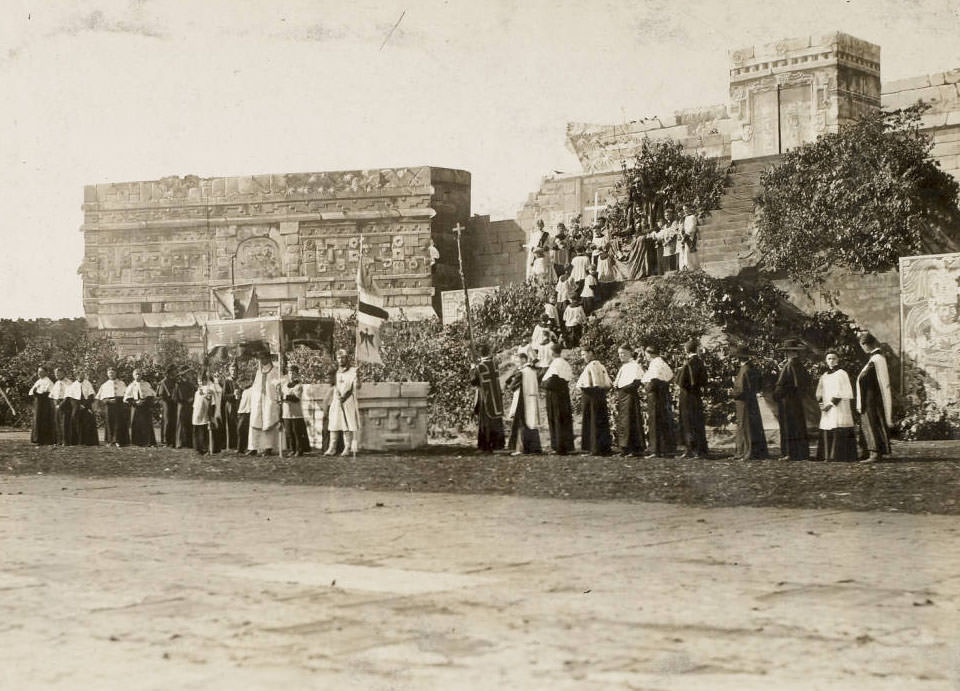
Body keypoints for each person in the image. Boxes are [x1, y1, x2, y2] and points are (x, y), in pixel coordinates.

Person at [856, 332, 893, 463]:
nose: (862, 348)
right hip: (872, 397)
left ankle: (875, 453)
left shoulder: (876, 359)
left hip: (872, 397)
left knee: (872, 423)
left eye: (862, 345)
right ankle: (871, 450)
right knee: (872, 422)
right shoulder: (876, 358)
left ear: (866, 345)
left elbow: (867, 378)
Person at [815, 350, 858, 462]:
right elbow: (819, 390)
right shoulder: (824, 375)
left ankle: (838, 455)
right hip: (826, 407)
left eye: (834, 358)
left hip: (839, 406)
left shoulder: (842, 373)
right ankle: (826, 455)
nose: (831, 361)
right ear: (825, 361)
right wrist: (821, 404)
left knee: (837, 424)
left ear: (838, 360)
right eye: (829, 358)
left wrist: (831, 404)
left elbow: (844, 391)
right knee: (827, 426)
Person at [773, 339, 810, 461]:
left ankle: (790, 453)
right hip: (797, 400)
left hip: (787, 401)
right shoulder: (800, 365)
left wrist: (776, 396)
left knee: (789, 426)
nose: (786, 354)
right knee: (798, 425)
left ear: (790, 352)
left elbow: (781, 385)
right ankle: (801, 452)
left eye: (787, 352)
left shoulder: (788, 366)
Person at [731, 345, 768, 460]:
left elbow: (741, 390)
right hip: (752, 401)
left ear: (739, 358)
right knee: (753, 426)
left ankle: (746, 452)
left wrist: (731, 393)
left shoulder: (744, 370)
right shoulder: (753, 368)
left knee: (745, 426)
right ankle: (755, 451)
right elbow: (759, 384)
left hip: (744, 403)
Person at [470, 343, 506, 453]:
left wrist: (472, 369)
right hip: (495, 395)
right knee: (495, 419)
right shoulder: (494, 364)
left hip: (485, 396)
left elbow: (474, 382)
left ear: (479, 353)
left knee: (485, 421)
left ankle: (485, 445)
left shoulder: (480, 367)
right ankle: (498, 444)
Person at [576, 347, 612, 455]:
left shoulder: (594, 365)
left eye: (584, 354)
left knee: (594, 420)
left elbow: (597, 383)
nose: (583, 357)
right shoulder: (598, 364)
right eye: (582, 355)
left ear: (591, 353)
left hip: (593, 397)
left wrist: (591, 389)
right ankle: (600, 447)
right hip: (596, 396)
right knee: (597, 420)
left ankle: (596, 448)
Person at [677, 339, 709, 459]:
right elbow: (704, 380)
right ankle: (700, 449)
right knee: (697, 421)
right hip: (696, 396)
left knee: (687, 422)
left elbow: (680, 382)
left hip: (686, 396)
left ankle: (690, 449)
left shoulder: (688, 363)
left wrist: (680, 371)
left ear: (686, 350)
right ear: (696, 349)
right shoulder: (700, 362)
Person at [506, 350, 542, 455]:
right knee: (532, 423)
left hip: (522, 400)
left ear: (523, 360)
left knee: (521, 423)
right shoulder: (532, 371)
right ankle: (535, 448)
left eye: (518, 360)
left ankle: (521, 449)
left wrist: (511, 384)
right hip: (532, 398)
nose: (516, 362)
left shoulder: (521, 372)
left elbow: (512, 386)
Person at [540, 343, 575, 455]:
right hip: (563, 393)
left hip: (555, 395)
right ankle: (566, 446)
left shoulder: (556, 364)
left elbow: (551, 381)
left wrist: (543, 384)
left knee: (557, 417)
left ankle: (559, 446)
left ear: (553, 352)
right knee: (564, 418)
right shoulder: (564, 362)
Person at [642, 346, 676, 458]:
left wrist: (647, 388)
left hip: (655, 396)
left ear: (650, 354)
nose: (646, 357)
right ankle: (663, 448)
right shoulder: (663, 363)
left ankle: (655, 450)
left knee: (655, 421)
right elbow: (671, 377)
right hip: (663, 395)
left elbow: (653, 380)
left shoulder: (655, 364)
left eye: (646, 354)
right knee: (662, 420)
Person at [613, 345, 646, 456]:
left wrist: (625, 388)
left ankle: (634, 448)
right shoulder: (624, 367)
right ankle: (624, 448)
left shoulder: (634, 366)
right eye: (619, 353)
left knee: (631, 421)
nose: (621, 356)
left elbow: (637, 382)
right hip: (623, 397)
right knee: (623, 422)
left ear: (630, 353)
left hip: (630, 397)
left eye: (623, 353)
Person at [326, 349, 359, 456]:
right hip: (337, 400)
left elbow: (357, 387)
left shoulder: (353, 371)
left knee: (347, 424)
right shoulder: (335, 371)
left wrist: (357, 379)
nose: (341, 360)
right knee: (334, 423)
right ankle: (332, 448)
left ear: (347, 358)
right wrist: (338, 395)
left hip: (348, 401)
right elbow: (332, 386)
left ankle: (347, 447)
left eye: (343, 357)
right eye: (339, 358)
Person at [249, 352, 283, 456]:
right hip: (258, 401)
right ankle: (254, 447)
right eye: (260, 358)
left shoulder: (275, 371)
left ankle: (268, 447)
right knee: (256, 422)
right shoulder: (259, 372)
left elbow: (278, 385)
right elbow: (255, 386)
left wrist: (277, 397)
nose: (262, 360)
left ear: (268, 358)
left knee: (269, 422)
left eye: (264, 357)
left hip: (269, 400)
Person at [96, 367, 129, 447]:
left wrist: (120, 401)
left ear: (116, 373)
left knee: (118, 422)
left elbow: (126, 395)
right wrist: (108, 401)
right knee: (109, 422)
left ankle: (118, 440)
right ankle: (110, 441)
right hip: (108, 405)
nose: (111, 374)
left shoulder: (122, 383)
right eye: (110, 373)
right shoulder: (104, 385)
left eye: (113, 372)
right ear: (107, 374)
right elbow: (100, 398)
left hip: (119, 404)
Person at [282, 364, 310, 456]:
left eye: (293, 373)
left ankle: (299, 449)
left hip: (296, 413)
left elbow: (296, 398)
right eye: (290, 373)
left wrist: (285, 397)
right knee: (289, 432)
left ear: (297, 374)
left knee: (296, 432)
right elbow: (281, 396)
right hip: (286, 413)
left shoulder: (299, 386)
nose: (291, 375)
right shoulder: (285, 385)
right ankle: (292, 449)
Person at [124, 369, 157, 447]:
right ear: (133, 375)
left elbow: (151, 394)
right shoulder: (131, 385)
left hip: (145, 406)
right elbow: (127, 397)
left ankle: (149, 442)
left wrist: (145, 401)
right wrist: (135, 402)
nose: (138, 376)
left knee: (147, 423)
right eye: (136, 374)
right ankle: (137, 442)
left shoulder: (146, 384)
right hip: (136, 407)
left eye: (139, 374)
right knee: (136, 423)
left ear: (142, 375)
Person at [192, 371, 220, 455]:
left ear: (205, 380)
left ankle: (206, 449)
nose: (200, 382)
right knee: (197, 430)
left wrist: (210, 414)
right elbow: (195, 403)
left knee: (204, 431)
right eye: (199, 380)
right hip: (197, 413)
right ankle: (198, 448)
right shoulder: (197, 391)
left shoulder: (208, 390)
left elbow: (211, 401)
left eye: (202, 380)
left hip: (205, 412)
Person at [68, 370, 99, 446]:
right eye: (78, 375)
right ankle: (77, 441)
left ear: (84, 375)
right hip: (76, 406)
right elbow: (71, 398)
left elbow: (91, 396)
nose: (80, 376)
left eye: (82, 374)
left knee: (88, 422)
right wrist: (78, 405)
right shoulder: (73, 385)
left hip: (86, 405)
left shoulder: (88, 383)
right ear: (76, 376)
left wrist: (84, 405)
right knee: (76, 421)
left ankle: (88, 441)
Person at [28, 366, 56, 446]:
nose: (39, 373)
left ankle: (45, 439)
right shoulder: (38, 381)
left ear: (46, 372)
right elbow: (31, 392)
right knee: (37, 419)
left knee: (44, 420)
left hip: (45, 403)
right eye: (38, 371)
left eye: (41, 371)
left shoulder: (49, 382)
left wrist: (40, 394)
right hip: (38, 403)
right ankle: (37, 438)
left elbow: (51, 393)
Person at [49, 368, 75, 446]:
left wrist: (61, 405)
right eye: (56, 374)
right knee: (57, 422)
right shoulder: (56, 383)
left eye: (59, 373)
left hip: (66, 404)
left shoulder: (69, 382)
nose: (57, 375)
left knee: (65, 423)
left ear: (64, 373)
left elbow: (68, 396)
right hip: (57, 403)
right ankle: (59, 441)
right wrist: (55, 404)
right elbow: (52, 395)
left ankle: (66, 441)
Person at [156, 367, 179, 447]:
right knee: (167, 421)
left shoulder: (175, 381)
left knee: (173, 421)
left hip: (174, 403)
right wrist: (167, 401)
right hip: (166, 403)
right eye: (174, 371)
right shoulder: (163, 382)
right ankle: (166, 440)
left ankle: (172, 440)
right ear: (169, 372)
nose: (175, 373)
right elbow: (160, 395)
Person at [220, 364, 241, 451]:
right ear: (229, 371)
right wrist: (233, 395)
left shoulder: (239, 381)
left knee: (239, 424)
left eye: (235, 370)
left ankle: (238, 443)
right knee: (231, 424)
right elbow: (224, 396)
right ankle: (231, 444)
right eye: (232, 370)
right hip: (230, 405)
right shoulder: (227, 381)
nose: (233, 372)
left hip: (239, 405)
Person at [175, 370, 196, 449]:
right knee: (181, 424)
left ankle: (188, 443)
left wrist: (192, 398)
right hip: (182, 406)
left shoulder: (191, 384)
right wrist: (187, 399)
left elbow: (194, 393)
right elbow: (178, 396)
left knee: (188, 423)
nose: (189, 376)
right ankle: (179, 443)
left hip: (189, 406)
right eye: (187, 374)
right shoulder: (179, 385)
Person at [656, 207, 680, 273]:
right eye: (666, 215)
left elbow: (674, 233)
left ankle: (674, 272)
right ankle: (669, 273)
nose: (667, 216)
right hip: (666, 245)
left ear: (672, 215)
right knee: (667, 259)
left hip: (673, 243)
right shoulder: (665, 225)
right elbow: (662, 233)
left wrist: (668, 241)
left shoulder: (674, 223)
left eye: (668, 215)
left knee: (673, 258)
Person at [678, 203, 700, 271]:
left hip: (690, 237)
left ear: (690, 208)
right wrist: (681, 234)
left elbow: (692, 227)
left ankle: (693, 268)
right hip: (684, 237)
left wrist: (686, 235)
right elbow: (682, 227)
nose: (685, 211)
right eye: (684, 209)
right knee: (684, 253)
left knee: (690, 253)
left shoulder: (692, 217)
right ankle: (686, 268)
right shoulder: (684, 218)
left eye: (686, 209)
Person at [236, 380, 252, 454]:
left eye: (242, 383)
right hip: (242, 412)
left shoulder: (251, 390)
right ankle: (240, 448)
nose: (240, 386)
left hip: (248, 412)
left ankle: (244, 448)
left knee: (243, 430)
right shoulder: (243, 391)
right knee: (240, 430)